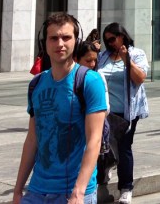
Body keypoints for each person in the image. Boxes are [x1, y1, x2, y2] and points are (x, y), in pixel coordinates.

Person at [13, 13, 107, 204]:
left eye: (66, 37)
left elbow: (94, 140)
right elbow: (32, 139)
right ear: (44, 43)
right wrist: (17, 190)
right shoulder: (36, 84)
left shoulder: (89, 81)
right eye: (54, 38)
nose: (60, 43)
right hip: (37, 190)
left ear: (76, 41)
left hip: (73, 192)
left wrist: (78, 192)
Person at [97, 23, 149, 204]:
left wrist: (127, 60)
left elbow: (140, 78)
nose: (110, 43)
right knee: (102, 146)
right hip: (104, 112)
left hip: (127, 112)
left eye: (113, 39)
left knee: (124, 147)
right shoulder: (103, 56)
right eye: (107, 40)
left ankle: (126, 188)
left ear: (122, 36)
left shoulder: (137, 54)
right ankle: (103, 174)